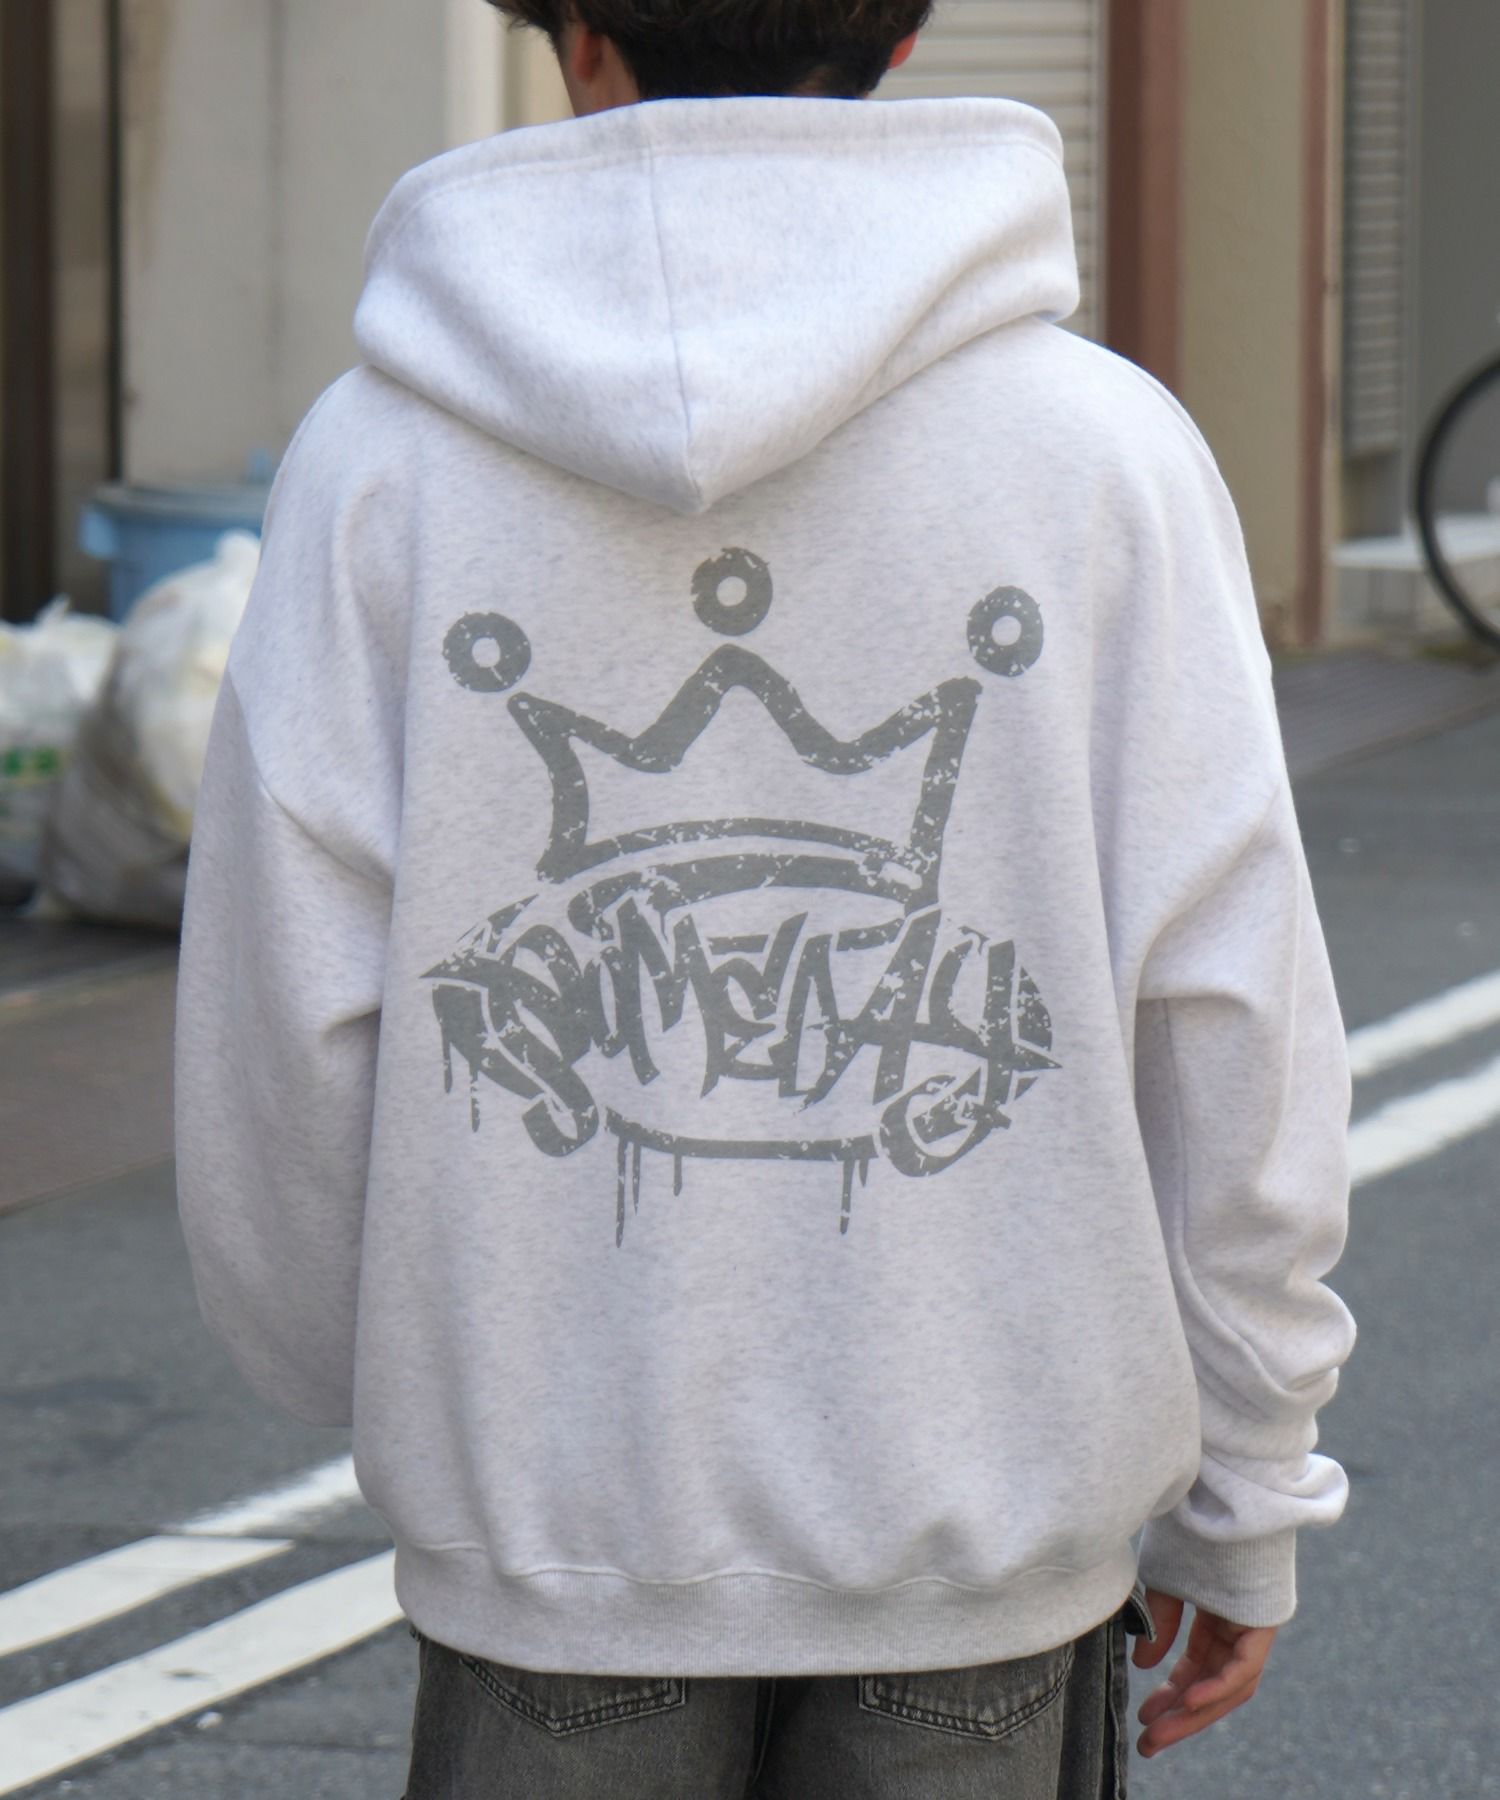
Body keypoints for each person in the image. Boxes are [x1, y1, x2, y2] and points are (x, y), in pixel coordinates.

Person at [173, 3, 1358, 1794]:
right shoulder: (1105, 457)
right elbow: (1230, 1012)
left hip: (552, 1552)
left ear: (574, 34)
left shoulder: (375, 467)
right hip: (985, 1544)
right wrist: (1249, 1478)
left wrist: (431, 1387)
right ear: (904, 30)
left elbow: (283, 1019)